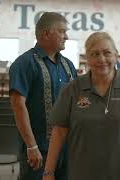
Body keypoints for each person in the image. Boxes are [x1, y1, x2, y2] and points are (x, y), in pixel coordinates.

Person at [43, 32, 120, 180]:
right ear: (87, 58)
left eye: (107, 53)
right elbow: (59, 133)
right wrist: (48, 172)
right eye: (94, 54)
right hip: (82, 174)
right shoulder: (71, 89)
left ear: (116, 55)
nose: (101, 59)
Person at [9, 12, 77, 180]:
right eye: (61, 31)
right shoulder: (24, 63)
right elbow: (18, 105)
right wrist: (31, 146)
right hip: (40, 149)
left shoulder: (68, 65)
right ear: (46, 34)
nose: (66, 36)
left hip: (67, 147)